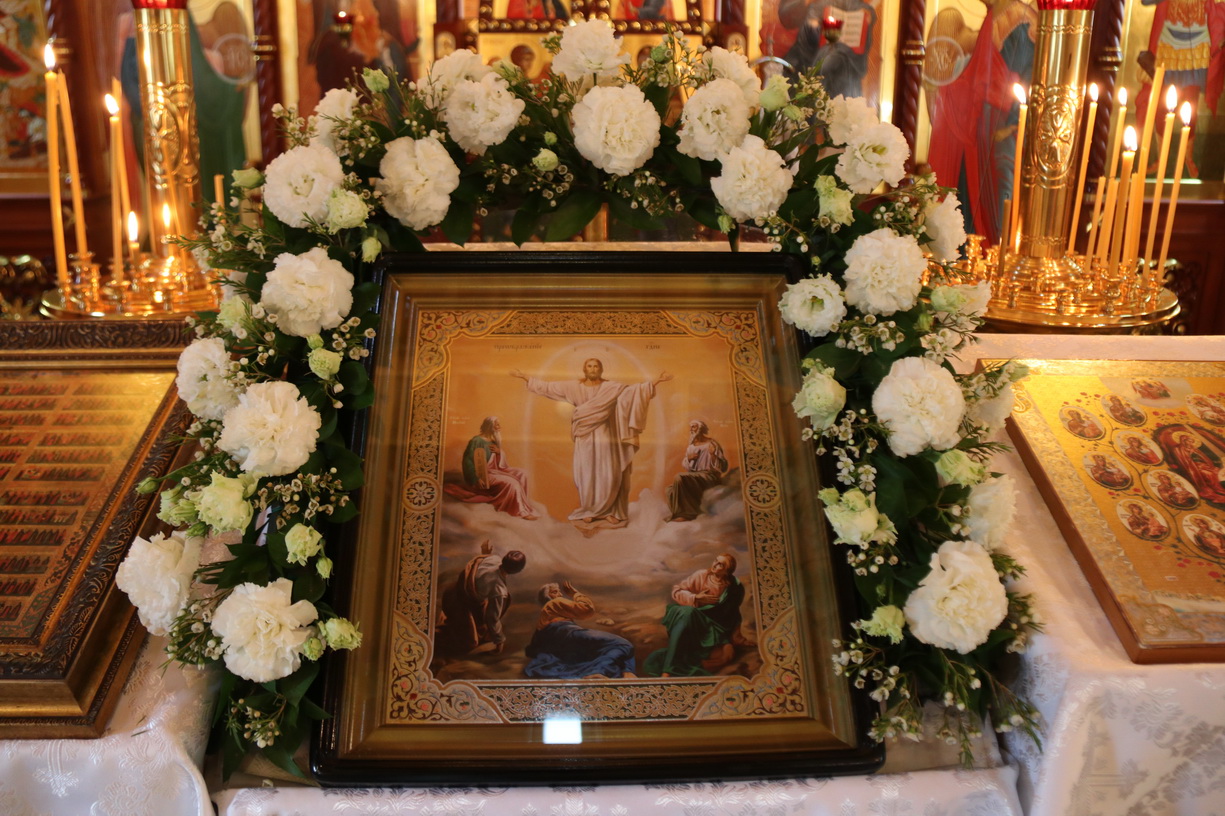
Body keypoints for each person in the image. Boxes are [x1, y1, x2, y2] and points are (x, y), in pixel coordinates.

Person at [511, 359, 672, 530]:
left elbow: (634, 392)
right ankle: (589, 511)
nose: (593, 369)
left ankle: (609, 511)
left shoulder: (611, 387)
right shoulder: (574, 387)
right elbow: (548, 387)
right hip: (585, 436)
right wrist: (524, 376)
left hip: (607, 435)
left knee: (609, 473)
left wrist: (658, 380)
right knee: (586, 474)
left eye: (596, 366)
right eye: (590, 366)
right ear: (584, 369)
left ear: (601, 369)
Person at [925, 0, 1036, 244]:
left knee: (995, 199)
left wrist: (1009, 121)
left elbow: (1018, 83)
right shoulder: (1001, 15)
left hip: (999, 129)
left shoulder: (1016, 18)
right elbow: (982, 74)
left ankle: (986, 250)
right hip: (984, 123)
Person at [643, 553, 746, 677]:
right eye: (716, 561)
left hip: (712, 630)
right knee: (687, 612)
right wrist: (696, 598)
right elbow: (677, 591)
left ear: (727, 571)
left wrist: (736, 639)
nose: (715, 565)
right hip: (692, 623)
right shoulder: (701, 575)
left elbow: (733, 613)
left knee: (726, 655)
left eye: (721, 565)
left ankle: (681, 665)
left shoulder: (733, 588)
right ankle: (668, 670)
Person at [523, 581, 636, 679]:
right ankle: (600, 670)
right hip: (566, 632)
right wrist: (575, 593)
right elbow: (587, 609)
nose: (560, 594)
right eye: (555, 592)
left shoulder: (546, 615)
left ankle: (624, 672)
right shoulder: (554, 602)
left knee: (610, 649)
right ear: (548, 596)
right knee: (622, 644)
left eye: (559, 592)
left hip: (562, 636)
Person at [434, 541, 527, 656]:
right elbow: (492, 618)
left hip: (450, 591)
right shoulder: (499, 589)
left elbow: (482, 560)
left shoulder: (493, 558)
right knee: (469, 643)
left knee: (483, 613)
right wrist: (499, 640)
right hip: (458, 606)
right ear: (517, 571)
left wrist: (485, 553)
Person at [444, 416, 538, 519]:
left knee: (523, 473)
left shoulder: (493, 442)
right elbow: (468, 461)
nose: (499, 427)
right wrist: (476, 478)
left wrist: (499, 452)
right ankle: (517, 511)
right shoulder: (476, 441)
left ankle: (523, 505)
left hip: (496, 471)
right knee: (512, 483)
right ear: (489, 426)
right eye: (497, 425)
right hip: (483, 474)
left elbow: (499, 465)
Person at [666, 420, 730, 522]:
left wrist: (713, 455)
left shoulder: (712, 444)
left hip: (709, 475)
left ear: (700, 429)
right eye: (690, 427)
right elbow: (688, 467)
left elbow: (723, 467)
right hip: (695, 476)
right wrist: (689, 458)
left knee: (679, 477)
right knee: (670, 489)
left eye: (694, 427)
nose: (691, 429)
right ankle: (682, 513)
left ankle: (685, 514)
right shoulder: (691, 447)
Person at [1166, 431, 1225, 503]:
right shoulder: (1178, 449)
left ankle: (1220, 489)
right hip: (1193, 467)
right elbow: (1183, 461)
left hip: (1203, 465)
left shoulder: (1194, 449)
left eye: (1192, 442)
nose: (1191, 443)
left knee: (1216, 471)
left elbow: (1205, 458)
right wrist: (1191, 456)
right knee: (1209, 474)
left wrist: (1209, 465)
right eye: (1189, 441)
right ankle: (1218, 490)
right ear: (1183, 441)